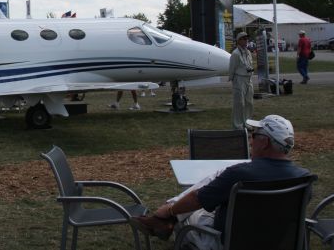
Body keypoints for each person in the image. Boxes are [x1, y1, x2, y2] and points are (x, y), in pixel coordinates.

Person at [130, 114, 310, 249]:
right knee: (213, 185)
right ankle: (163, 218)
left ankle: (163, 219)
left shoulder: (240, 174)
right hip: (277, 241)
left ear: (265, 143)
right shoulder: (303, 178)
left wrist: (170, 210)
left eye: (253, 136)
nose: (250, 140)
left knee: (185, 213)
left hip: (227, 241)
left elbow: (197, 200)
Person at [228, 32, 254, 129]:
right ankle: (238, 125)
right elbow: (232, 68)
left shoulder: (248, 52)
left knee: (249, 102)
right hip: (239, 78)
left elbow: (250, 65)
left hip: (248, 78)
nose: (246, 40)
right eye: (243, 39)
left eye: (246, 39)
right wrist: (232, 79)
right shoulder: (235, 54)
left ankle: (247, 122)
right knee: (239, 103)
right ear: (238, 41)